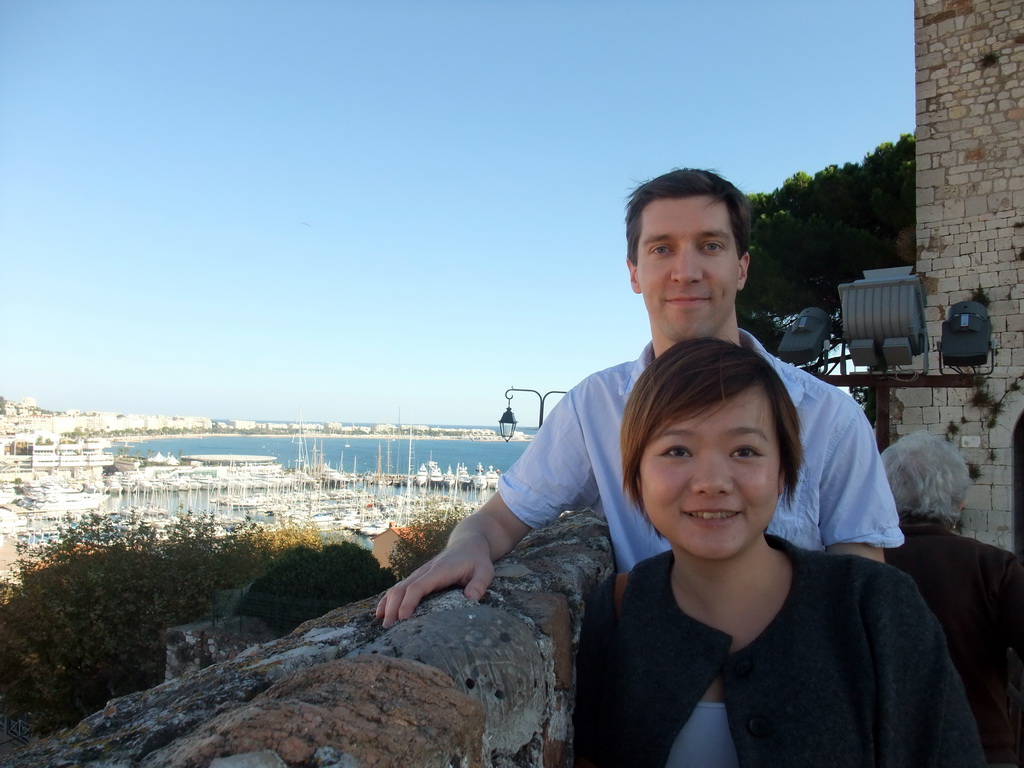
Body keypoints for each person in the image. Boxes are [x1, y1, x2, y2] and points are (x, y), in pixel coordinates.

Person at [377, 168, 901, 628]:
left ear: (742, 268)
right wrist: (467, 546)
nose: (686, 270)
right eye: (662, 248)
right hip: (654, 693)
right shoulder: (593, 408)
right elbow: (498, 518)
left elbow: (859, 577)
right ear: (634, 273)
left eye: (710, 246)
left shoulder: (828, 415)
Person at [572, 338, 984, 768]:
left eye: (744, 451)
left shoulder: (877, 607)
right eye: (677, 450)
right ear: (636, 475)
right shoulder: (616, 615)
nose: (712, 481)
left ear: (784, 472)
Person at [882, 430, 1024, 767]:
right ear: (960, 500)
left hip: (883, 753)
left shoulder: (854, 565)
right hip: (980, 749)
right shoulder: (993, 566)